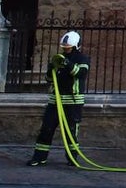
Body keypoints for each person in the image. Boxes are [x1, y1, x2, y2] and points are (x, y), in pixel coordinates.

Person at [27, 31, 90, 166]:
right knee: (46, 129)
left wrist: (67, 64)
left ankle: (72, 159)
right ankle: (39, 157)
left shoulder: (82, 58)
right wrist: (51, 69)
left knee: (71, 132)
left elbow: (81, 74)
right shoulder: (58, 58)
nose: (65, 49)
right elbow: (50, 79)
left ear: (75, 46)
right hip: (55, 101)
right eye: (64, 47)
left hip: (73, 102)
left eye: (68, 47)